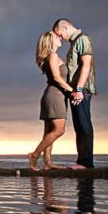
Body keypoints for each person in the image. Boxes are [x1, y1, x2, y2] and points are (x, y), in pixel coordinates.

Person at [52, 18, 97, 169]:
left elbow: (86, 65)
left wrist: (78, 89)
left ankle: (85, 163)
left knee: (83, 123)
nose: (61, 38)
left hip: (81, 89)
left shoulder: (82, 39)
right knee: (79, 125)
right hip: (76, 90)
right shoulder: (74, 43)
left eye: (60, 34)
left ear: (65, 27)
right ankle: (82, 162)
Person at [28, 31, 76, 171]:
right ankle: (34, 155)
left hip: (53, 95)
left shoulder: (51, 56)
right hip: (55, 96)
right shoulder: (52, 55)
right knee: (59, 130)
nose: (60, 37)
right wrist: (71, 91)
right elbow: (56, 77)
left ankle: (48, 162)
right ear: (50, 41)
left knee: (49, 131)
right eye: (56, 36)